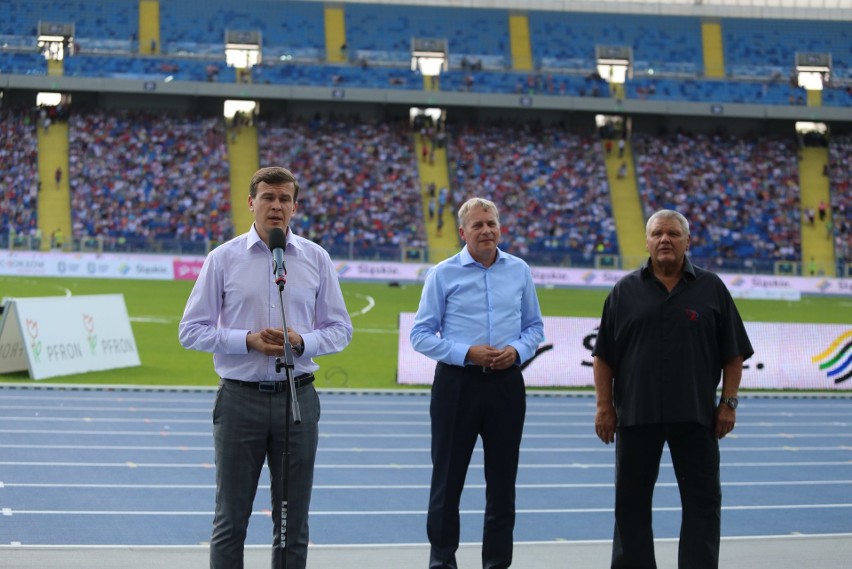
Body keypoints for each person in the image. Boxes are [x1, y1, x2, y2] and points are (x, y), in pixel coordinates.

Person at [178, 166, 353, 569]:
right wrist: (247, 341)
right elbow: (191, 331)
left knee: (293, 523)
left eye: (284, 199)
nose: (276, 206)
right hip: (240, 400)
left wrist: (302, 341)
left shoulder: (316, 259)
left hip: (298, 398)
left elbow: (341, 329)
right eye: (268, 198)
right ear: (251, 202)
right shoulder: (222, 259)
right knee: (230, 519)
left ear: (295, 206)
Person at [592, 209, 754, 569]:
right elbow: (604, 357)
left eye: (673, 234)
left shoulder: (711, 288)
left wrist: (728, 404)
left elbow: (734, 353)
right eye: (658, 233)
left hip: (696, 416)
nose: (665, 239)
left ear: (687, 241)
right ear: (647, 241)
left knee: (703, 504)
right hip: (636, 415)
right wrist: (604, 407)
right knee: (630, 505)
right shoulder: (624, 291)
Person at [410, 197, 544, 569]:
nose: (486, 230)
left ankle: (497, 563)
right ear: (462, 232)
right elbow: (420, 335)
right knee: (447, 481)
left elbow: (534, 327)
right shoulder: (443, 273)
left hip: (506, 385)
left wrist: (516, 351)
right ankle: (442, 562)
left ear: (500, 227)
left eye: (492, 223)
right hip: (457, 385)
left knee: (502, 485)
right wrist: (467, 352)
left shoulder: (519, 270)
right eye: (478, 225)